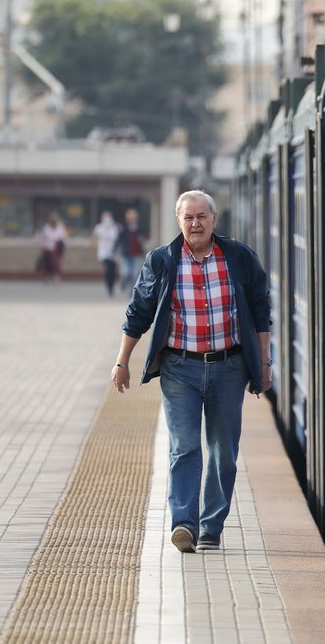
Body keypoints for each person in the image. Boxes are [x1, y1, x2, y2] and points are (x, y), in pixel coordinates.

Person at [110, 190, 272, 554]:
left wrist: (264, 361)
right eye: (188, 217)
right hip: (179, 367)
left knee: (223, 451)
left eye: (202, 216)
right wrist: (123, 362)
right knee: (184, 447)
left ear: (214, 219)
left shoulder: (240, 258)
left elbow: (261, 310)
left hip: (229, 366)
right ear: (178, 221)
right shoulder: (163, 260)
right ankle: (184, 523)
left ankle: (210, 526)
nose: (195, 223)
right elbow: (138, 312)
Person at [116, 207, 146, 294]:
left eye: (134, 216)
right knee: (126, 273)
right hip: (125, 254)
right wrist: (114, 252)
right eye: (130, 216)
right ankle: (123, 283)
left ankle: (131, 293)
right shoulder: (123, 228)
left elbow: (143, 239)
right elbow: (118, 240)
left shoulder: (140, 227)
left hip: (136, 254)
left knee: (135, 274)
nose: (132, 218)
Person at [91, 210, 120, 296]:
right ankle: (108, 287)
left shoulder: (115, 227)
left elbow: (119, 239)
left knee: (113, 271)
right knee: (108, 270)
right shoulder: (99, 227)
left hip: (114, 253)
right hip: (103, 253)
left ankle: (112, 286)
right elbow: (94, 237)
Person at [37, 212, 68, 284]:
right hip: (47, 248)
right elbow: (42, 238)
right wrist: (42, 246)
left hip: (56, 249)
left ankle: (56, 278)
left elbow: (64, 238)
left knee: (56, 264)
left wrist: (62, 247)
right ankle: (47, 277)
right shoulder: (46, 228)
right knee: (47, 264)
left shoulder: (61, 228)